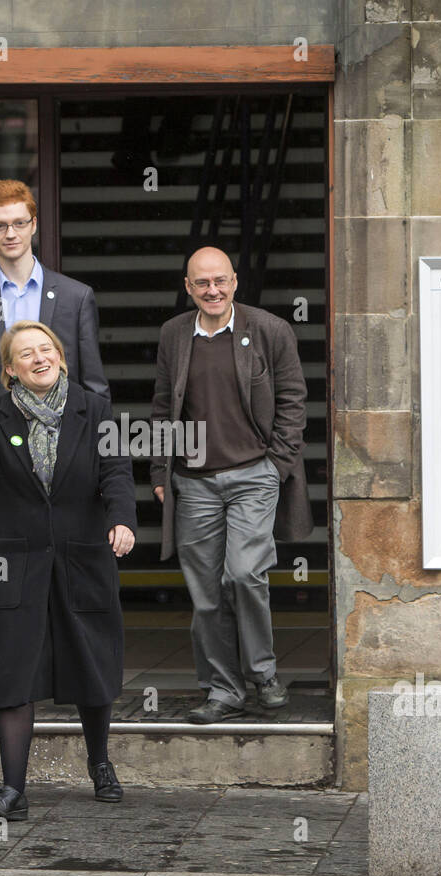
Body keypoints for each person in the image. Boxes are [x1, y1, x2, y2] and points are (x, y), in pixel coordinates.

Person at [0, 321, 135, 822]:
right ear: (10, 369)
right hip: (17, 559)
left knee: (90, 660)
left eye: (46, 349)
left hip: (83, 553)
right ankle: (12, 789)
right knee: (13, 667)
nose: (39, 358)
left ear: (61, 357)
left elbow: (116, 470)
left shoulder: (94, 409)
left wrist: (121, 519)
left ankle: (100, 763)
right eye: (26, 354)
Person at [0, 179, 108, 722]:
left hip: (64, 466)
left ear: (34, 224)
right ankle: (11, 693)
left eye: (19, 222)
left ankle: (73, 682)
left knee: (68, 578)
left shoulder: (76, 296)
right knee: (4, 582)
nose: (10, 233)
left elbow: (95, 385)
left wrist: (101, 459)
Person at [149, 247, 312, 724]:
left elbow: (293, 402)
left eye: (220, 281)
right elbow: (163, 406)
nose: (212, 290)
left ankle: (262, 672)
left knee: (243, 574)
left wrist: (275, 466)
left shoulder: (270, 331)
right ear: (188, 288)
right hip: (194, 483)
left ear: (235, 282)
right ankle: (223, 689)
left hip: (252, 475)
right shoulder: (174, 335)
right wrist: (161, 471)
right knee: (205, 594)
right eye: (202, 283)